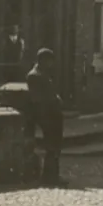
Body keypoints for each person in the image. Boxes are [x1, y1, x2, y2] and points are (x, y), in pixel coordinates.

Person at [26, 48, 66, 187]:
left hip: (53, 114)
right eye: (49, 61)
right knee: (52, 146)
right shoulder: (34, 75)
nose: (51, 64)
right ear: (42, 60)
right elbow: (38, 99)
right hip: (47, 116)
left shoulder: (43, 74)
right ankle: (49, 177)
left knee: (55, 146)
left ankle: (53, 175)